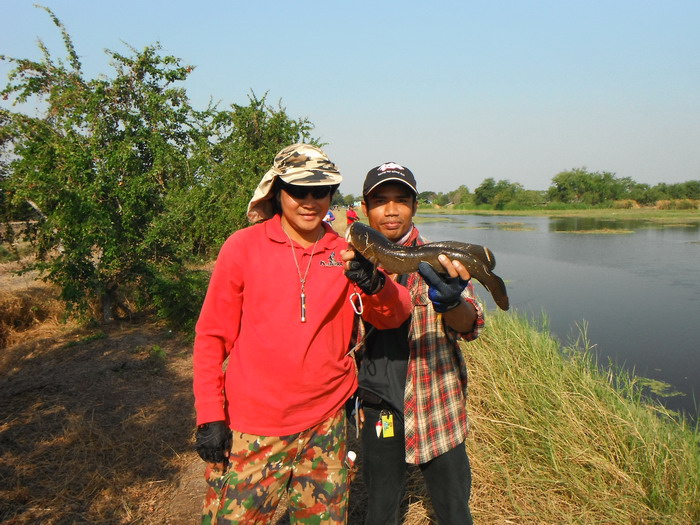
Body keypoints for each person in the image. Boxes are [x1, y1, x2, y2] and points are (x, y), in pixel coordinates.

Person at [192, 145, 412, 524]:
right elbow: (212, 336)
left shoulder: (345, 251)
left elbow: (396, 315)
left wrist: (377, 285)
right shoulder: (243, 247)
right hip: (253, 426)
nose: (310, 200)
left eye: (321, 190)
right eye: (299, 190)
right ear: (278, 191)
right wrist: (211, 415)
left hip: (326, 425)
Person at [355, 162, 485, 525]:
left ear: (414, 205)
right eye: (380, 200)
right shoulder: (352, 263)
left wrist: (452, 302)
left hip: (435, 399)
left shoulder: (439, 257)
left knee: (454, 506)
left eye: (401, 200)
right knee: (380, 503)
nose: (391, 210)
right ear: (366, 208)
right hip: (378, 401)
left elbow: (471, 326)